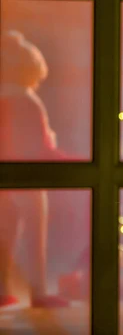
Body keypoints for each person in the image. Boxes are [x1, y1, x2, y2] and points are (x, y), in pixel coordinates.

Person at [0, 30, 69, 309]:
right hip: (31, 176)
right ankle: (38, 292)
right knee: (34, 237)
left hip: (8, 176)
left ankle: (3, 288)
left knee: (6, 236)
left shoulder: (5, 96)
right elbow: (38, 144)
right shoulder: (26, 100)